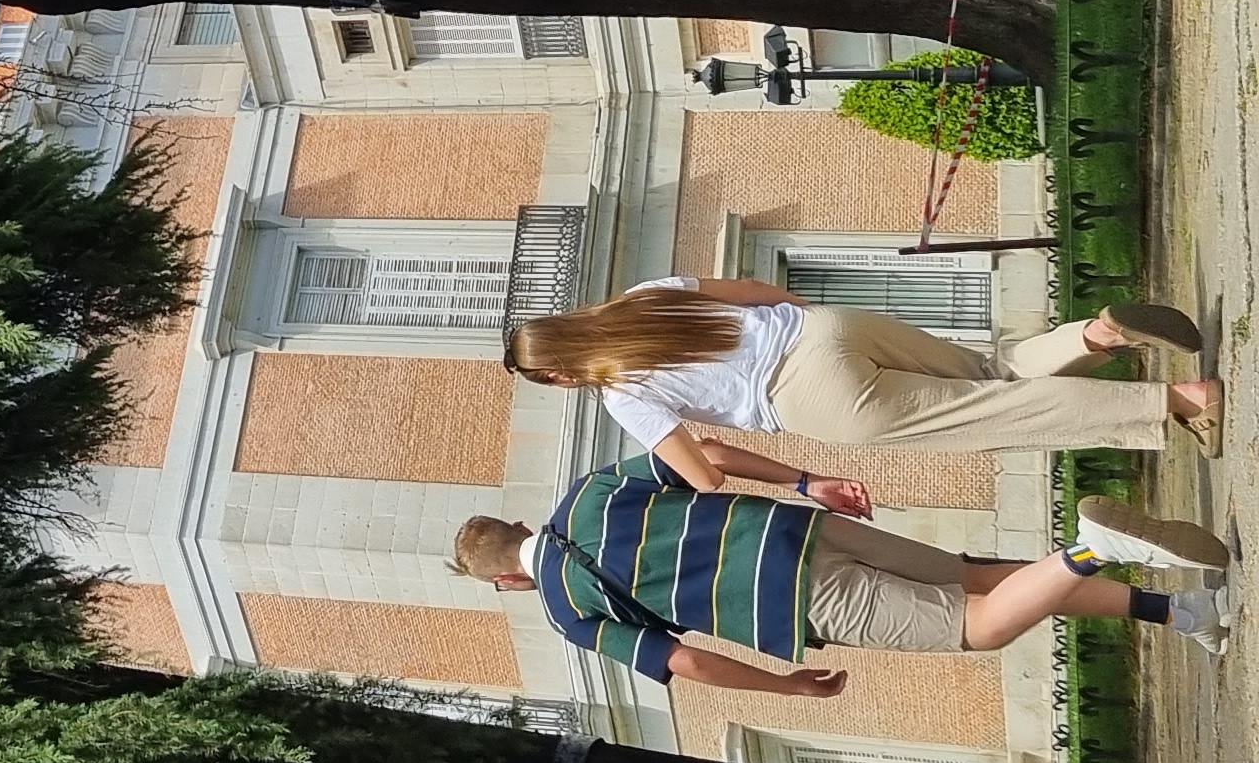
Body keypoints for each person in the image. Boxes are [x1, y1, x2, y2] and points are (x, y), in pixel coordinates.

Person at [453, 454, 1229, 688]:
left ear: (507, 581)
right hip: (801, 527)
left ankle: (1092, 546)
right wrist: (805, 481)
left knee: (981, 628)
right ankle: (1183, 612)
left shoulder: (566, 610)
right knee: (985, 583)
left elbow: (682, 660)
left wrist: (783, 686)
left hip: (798, 600)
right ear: (520, 524)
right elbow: (705, 456)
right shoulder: (590, 491)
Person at [508, 274, 1219, 467]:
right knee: (987, 372)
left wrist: (707, 460)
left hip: (810, 400)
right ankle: (1099, 333)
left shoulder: (624, 395)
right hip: (825, 329)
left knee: (1002, 414)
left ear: (563, 375)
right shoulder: (644, 296)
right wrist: (815, 326)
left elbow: (704, 473)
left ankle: (1179, 400)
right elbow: (754, 289)